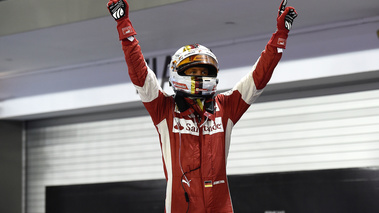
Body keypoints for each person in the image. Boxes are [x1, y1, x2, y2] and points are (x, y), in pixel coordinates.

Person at [107, 0, 297, 212]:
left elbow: (258, 78)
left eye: (205, 72)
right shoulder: (164, 110)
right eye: (194, 72)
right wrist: (124, 27)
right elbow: (140, 75)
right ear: (177, 73)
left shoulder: (226, 108)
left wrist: (280, 36)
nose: (200, 77)